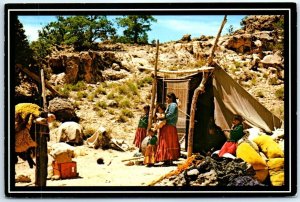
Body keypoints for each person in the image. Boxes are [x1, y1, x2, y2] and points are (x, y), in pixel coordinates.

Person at [155, 92, 180, 166]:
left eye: (167, 98)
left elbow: (171, 115)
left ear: (171, 98)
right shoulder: (171, 105)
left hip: (169, 127)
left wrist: (162, 117)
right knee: (167, 142)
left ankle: (168, 159)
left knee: (167, 142)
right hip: (167, 126)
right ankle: (166, 159)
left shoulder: (173, 105)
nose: (166, 100)